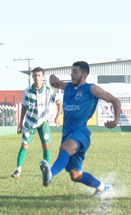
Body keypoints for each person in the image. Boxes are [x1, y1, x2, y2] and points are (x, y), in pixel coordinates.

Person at [40, 61, 120, 195]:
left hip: (81, 133)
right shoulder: (69, 87)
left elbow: (116, 101)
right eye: (71, 71)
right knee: (76, 175)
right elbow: (56, 82)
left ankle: (50, 174)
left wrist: (115, 121)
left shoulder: (91, 89)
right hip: (67, 134)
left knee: (64, 148)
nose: (72, 74)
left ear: (84, 74)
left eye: (75, 72)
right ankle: (102, 187)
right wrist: (52, 78)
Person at [12, 67, 62, 179]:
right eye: (35, 75)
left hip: (43, 122)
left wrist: (58, 115)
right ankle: (18, 170)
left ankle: (47, 170)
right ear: (32, 76)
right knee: (24, 145)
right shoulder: (27, 91)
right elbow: (24, 107)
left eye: (39, 75)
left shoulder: (48, 90)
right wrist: (20, 123)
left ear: (42, 77)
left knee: (46, 146)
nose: (37, 78)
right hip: (30, 122)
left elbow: (59, 103)